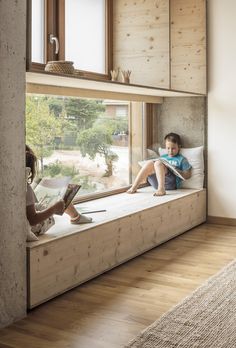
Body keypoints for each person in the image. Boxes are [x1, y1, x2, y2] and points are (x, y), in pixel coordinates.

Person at [26, 145, 92, 237]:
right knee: (60, 198)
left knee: (45, 203)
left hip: (27, 220)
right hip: (35, 227)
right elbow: (33, 220)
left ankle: (75, 216)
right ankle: (76, 217)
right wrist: (54, 209)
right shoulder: (26, 188)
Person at [127, 133, 191, 196]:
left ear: (179, 147)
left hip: (171, 184)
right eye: (168, 148)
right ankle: (134, 186)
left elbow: (187, 175)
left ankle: (161, 189)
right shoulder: (163, 157)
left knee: (158, 163)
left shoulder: (181, 159)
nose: (170, 151)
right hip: (156, 183)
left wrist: (175, 169)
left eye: (173, 148)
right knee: (150, 163)